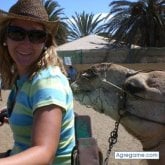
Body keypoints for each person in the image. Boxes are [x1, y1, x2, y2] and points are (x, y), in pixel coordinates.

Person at [0, 0, 75, 164]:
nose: (26, 43)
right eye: (17, 33)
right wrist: (11, 113)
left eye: (36, 36)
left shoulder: (48, 82)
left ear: (45, 43)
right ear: (5, 38)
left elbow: (44, 152)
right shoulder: (24, 79)